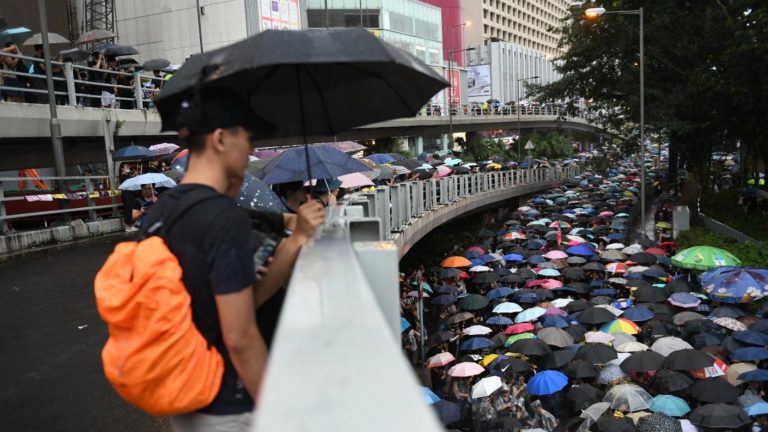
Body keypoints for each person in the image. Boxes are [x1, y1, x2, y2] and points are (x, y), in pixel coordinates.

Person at [142, 89, 279, 431]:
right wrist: (278, 410)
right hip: (228, 405)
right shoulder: (223, 218)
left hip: (185, 392)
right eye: (246, 138)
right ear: (220, 138)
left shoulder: (160, 212)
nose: (250, 150)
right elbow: (240, 336)